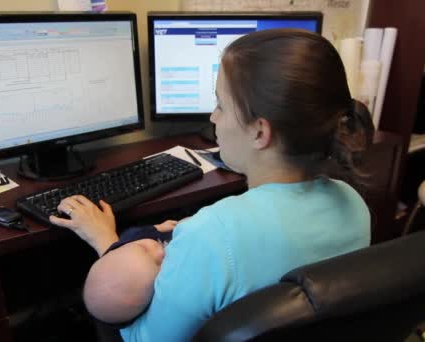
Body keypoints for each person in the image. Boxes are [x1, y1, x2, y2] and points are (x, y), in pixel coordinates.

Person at [50, 28, 374, 341]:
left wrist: (111, 246)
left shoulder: (211, 234)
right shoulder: (353, 204)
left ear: (260, 133)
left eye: (220, 104)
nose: (213, 118)